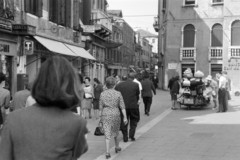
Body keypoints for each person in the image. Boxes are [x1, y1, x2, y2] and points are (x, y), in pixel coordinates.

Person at [0, 56, 88, 160]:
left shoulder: (13, 119)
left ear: (38, 82)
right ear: (70, 85)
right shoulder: (76, 123)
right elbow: (77, 153)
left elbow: (4, 156)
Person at [99, 76, 127, 159]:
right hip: (115, 113)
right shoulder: (118, 93)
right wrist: (125, 117)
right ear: (114, 84)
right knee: (116, 131)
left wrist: (100, 118)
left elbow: (100, 107)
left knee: (107, 133)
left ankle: (107, 152)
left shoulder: (102, 94)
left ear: (106, 85)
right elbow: (122, 106)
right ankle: (117, 146)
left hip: (105, 114)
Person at [115, 72, 140, 142]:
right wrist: (137, 101)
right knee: (133, 121)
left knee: (124, 121)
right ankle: (131, 136)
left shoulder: (119, 85)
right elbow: (137, 95)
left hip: (123, 106)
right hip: (133, 106)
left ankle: (125, 136)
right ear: (134, 78)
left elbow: (116, 95)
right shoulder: (136, 85)